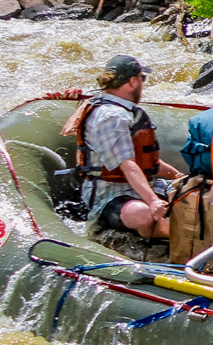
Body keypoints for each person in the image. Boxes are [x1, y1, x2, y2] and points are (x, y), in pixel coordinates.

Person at [63, 55, 183, 241]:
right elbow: (127, 165)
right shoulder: (112, 117)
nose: (143, 84)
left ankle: (186, 234)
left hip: (142, 186)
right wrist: (152, 200)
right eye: (142, 78)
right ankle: (176, 239)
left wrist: (179, 177)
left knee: (192, 193)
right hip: (109, 196)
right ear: (133, 81)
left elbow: (146, 161)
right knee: (143, 214)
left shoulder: (125, 112)